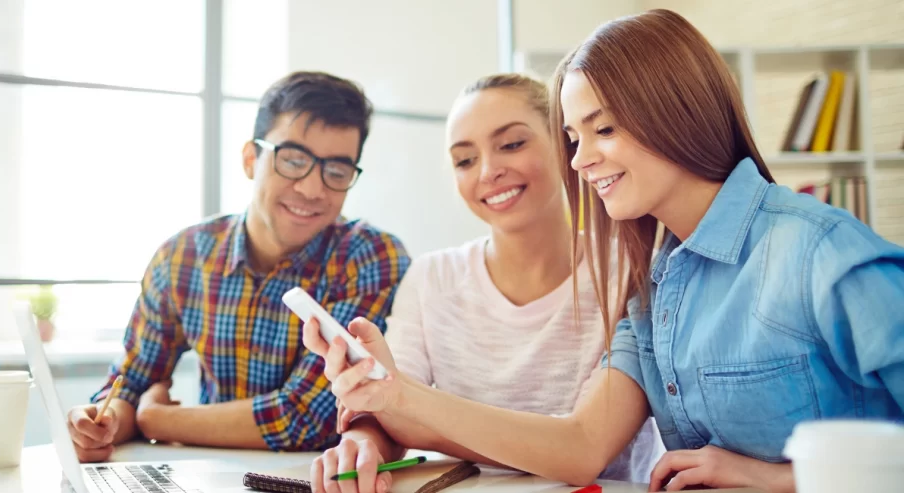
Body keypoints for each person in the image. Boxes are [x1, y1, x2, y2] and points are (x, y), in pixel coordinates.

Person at [304, 9, 904, 493]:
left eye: (604, 129)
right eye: (573, 136)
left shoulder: (815, 250)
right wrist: (392, 394)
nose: (580, 159)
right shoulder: (654, 285)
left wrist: (783, 480)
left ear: (677, 111)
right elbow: (581, 447)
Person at [308, 74, 664, 493]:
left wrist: (409, 419)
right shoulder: (430, 278)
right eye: (464, 160)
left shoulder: (632, 270)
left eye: (512, 144)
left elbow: (583, 451)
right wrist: (363, 440)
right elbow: (391, 410)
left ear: (565, 143)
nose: (489, 171)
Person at [65, 71, 411, 462]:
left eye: (336, 171)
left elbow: (306, 418)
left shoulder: (368, 257)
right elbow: (129, 385)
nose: (313, 190)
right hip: (206, 475)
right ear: (251, 159)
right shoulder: (183, 257)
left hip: (317, 479)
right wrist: (101, 422)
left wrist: (159, 421)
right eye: (293, 160)